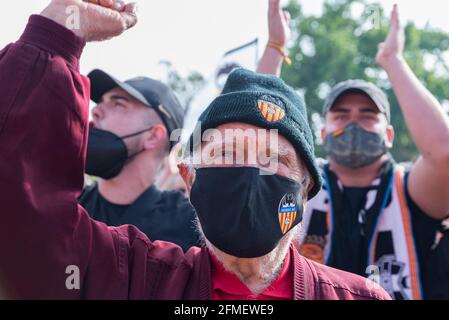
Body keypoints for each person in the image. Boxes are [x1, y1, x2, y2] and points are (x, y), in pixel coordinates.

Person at [0, 0, 391, 300]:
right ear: (188, 179)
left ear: (306, 190)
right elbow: (23, 220)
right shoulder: (130, 277)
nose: (250, 173)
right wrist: (58, 28)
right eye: (226, 154)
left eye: (275, 159)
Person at [258, 0, 449, 300]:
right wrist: (275, 48)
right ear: (322, 133)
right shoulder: (299, 183)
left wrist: (393, 60)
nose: (354, 124)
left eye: (367, 116)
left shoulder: (411, 190)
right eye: (342, 116)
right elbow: (255, 145)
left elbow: (444, 152)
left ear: (388, 135)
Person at [79, 69, 199, 252]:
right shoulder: (65, 206)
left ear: (152, 136)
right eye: (100, 102)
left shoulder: (192, 227)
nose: (95, 110)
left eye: (118, 103)